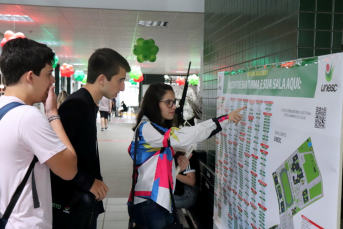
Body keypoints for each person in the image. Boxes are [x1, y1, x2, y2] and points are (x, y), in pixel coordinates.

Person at [127, 83, 245, 229]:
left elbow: (155, 163)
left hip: (162, 200)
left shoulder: (157, 129)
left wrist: (175, 166)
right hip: (150, 201)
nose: (173, 106)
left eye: (174, 102)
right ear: (154, 104)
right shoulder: (147, 128)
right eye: (168, 102)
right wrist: (224, 119)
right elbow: (185, 136)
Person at [0, 38, 77, 228]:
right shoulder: (28, 117)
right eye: (49, 74)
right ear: (30, 77)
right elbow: (69, 169)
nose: (52, 81)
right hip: (25, 222)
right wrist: (52, 114)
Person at [51, 48, 131, 229]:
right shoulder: (76, 105)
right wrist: (86, 181)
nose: (123, 87)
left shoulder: (87, 104)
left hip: (82, 199)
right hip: (71, 203)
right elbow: (54, 153)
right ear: (102, 79)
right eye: (120, 80)